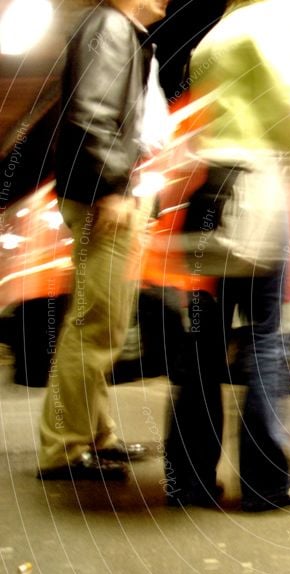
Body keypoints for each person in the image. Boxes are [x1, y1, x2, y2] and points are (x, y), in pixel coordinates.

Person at [164, 0, 290, 511]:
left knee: (204, 340)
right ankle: (267, 480)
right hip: (259, 184)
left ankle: (189, 479)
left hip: (211, 191)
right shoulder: (283, 15)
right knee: (266, 336)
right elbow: (283, 93)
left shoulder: (216, 33)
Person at [36, 0, 170, 481]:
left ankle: (96, 436)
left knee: (100, 324)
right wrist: (110, 188)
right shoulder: (110, 26)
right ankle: (64, 447)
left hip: (109, 193)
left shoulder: (120, 30)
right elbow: (91, 112)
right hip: (103, 198)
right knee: (96, 325)